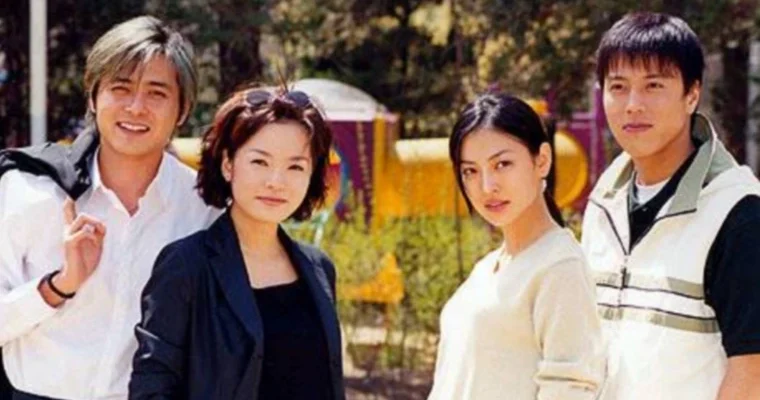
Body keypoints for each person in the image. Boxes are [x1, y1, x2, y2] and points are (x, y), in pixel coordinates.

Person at [0, 16, 219, 400]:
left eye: (156, 93)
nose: (136, 107)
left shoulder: (204, 209)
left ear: (183, 110)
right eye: (121, 88)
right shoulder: (30, 188)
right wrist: (58, 286)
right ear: (93, 97)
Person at [582, 12, 760, 400]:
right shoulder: (604, 201)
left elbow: (752, 373)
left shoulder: (738, 213)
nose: (633, 105)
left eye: (654, 85)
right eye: (618, 86)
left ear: (692, 95)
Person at [129, 86, 346, 400]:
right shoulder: (187, 265)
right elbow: (152, 387)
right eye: (260, 162)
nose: (276, 181)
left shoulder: (319, 268)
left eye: (295, 166)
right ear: (228, 164)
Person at [428, 93, 605, 400]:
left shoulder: (559, 267)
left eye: (502, 164)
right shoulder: (487, 268)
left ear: (542, 160)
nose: (487, 186)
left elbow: (569, 389)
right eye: (470, 171)